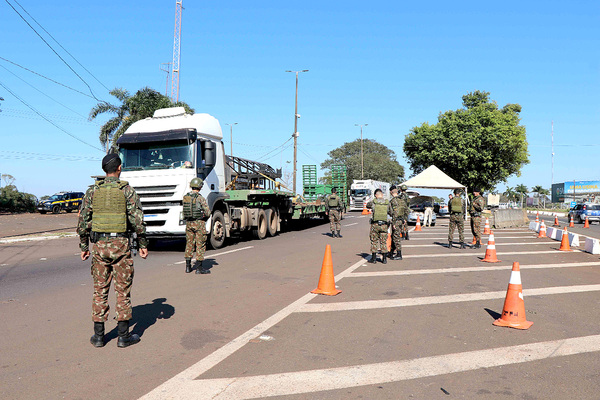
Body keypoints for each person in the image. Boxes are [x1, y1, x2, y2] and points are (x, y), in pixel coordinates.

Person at [78, 153, 148, 348]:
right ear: (119, 168)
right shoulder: (127, 191)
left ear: (104, 170)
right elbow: (138, 221)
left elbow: (83, 221)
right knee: (122, 291)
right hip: (121, 245)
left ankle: (99, 337)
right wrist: (143, 245)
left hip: (99, 246)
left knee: (100, 290)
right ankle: (123, 337)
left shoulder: (92, 191)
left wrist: (84, 246)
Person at [183, 178, 211, 274]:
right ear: (200, 186)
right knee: (200, 244)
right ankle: (199, 268)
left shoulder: (186, 197)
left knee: (189, 244)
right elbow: (208, 212)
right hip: (199, 223)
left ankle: (188, 267)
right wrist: (204, 217)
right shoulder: (200, 198)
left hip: (189, 223)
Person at [367, 188, 390, 264]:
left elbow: (367, 205)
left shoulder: (373, 202)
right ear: (382, 195)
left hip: (375, 225)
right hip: (384, 225)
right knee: (383, 242)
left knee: (374, 241)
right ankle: (384, 259)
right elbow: (391, 212)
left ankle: (373, 259)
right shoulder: (387, 203)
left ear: (376, 195)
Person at [388, 185, 406, 260]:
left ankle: (399, 254)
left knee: (396, 237)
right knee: (394, 236)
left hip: (397, 221)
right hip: (401, 220)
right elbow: (406, 210)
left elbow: (393, 213)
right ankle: (391, 252)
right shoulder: (402, 200)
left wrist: (394, 223)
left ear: (391, 192)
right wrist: (404, 219)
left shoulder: (393, 201)